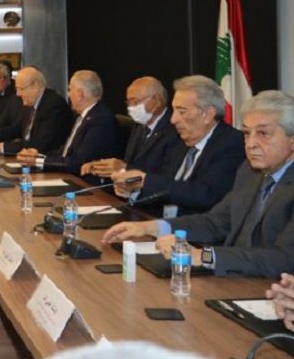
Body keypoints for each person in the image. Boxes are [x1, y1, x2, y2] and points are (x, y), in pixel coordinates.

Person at [103, 90, 294, 278]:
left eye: (263, 133)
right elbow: (217, 222)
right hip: (236, 278)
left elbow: (285, 259)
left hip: (270, 287)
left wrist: (203, 256)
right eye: (246, 133)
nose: (251, 144)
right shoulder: (250, 171)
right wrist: (150, 228)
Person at [110, 75, 245, 216]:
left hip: (195, 228)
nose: (173, 119)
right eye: (174, 111)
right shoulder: (181, 140)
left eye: (182, 111)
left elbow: (205, 194)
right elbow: (166, 185)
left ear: (208, 114)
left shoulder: (231, 144)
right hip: (161, 222)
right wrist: (133, 191)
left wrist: (145, 181)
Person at [16, 70, 118, 175]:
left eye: (70, 90)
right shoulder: (86, 115)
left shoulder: (100, 120)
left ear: (80, 94)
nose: (68, 95)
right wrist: (39, 156)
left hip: (84, 180)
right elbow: (66, 151)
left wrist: (37, 161)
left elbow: (79, 162)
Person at [80, 76, 180, 179]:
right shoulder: (139, 126)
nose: (130, 107)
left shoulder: (175, 130)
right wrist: (101, 166)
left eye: (135, 102)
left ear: (156, 101)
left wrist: (125, 168)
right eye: (128, 102)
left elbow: (163, 178)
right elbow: (129, 161)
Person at [0, 66, 72, 155]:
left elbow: (38, 144)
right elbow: (18, 128)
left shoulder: (53, 105)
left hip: (48, 163)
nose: (18, 94)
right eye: (17, 89)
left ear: (35, 86)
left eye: (21, 89)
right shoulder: (33, 103)